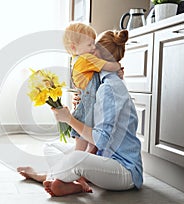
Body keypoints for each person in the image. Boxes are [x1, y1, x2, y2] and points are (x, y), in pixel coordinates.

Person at [44, 29, 143, 196]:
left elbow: (101, 141)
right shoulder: (102, 84)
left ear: (97, 55)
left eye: (92, 46)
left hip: (124, 170)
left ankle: (53, 177)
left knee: (75, 158)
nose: (89, 50)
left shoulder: (109, 88)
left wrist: (69, 119)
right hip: (104, 161)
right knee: (50, 147)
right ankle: (69, 180)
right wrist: (82, 100)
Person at [63, 22, 121, 154]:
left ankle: (80, 167)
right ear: (74, 47)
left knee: (85, 143)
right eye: (89, 44)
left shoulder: (76, 59)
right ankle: (73, 168)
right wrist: (118, 65)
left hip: (87, 104)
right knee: (84, 144)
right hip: (89, 108)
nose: (93, 47)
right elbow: (109, 66)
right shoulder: (86, 59)